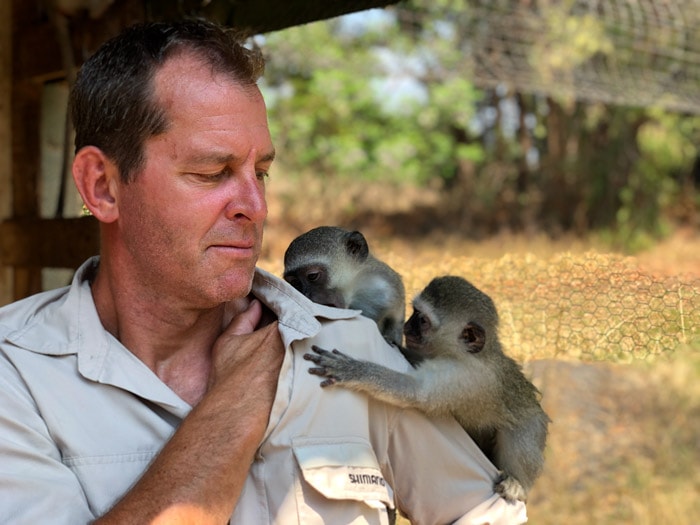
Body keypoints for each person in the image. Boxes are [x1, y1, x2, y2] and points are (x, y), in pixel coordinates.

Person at [0, 19, 528, 524]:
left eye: (262, 172)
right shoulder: (17, 378)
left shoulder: (345, 348)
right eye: (213, 172)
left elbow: (484, 512)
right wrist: (232, 408)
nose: (255, 206)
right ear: (103, 187)